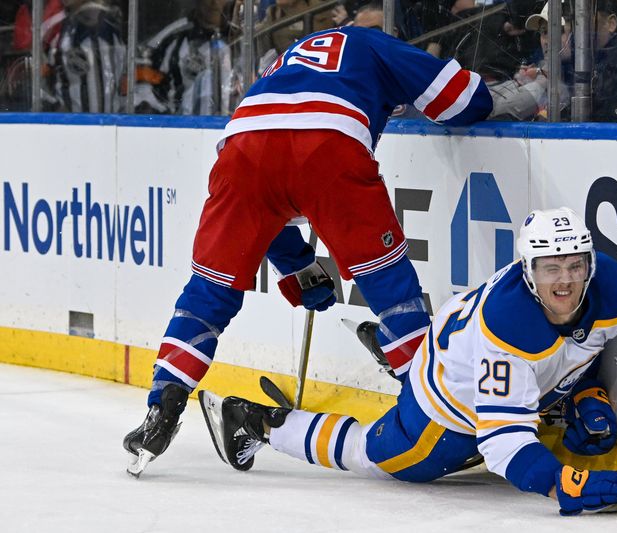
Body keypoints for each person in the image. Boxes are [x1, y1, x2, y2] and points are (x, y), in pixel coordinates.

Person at [123, 25, 493, 476]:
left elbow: (270, 194)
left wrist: (299, 269)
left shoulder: (286, 60)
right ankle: (435, 412)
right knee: (391, 291)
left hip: (241, 151)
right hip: (327, 147)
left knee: (208, 294)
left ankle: (162, 407)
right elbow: (465, 100)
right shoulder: (372, 42)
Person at [198, 207, 617, 516]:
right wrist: (565, 486)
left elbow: (577, 352)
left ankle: (398, 359)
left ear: (590, 263)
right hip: (446, 410)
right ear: (528, 271)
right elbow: (502, 446)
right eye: (551, 267)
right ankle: (256, 422)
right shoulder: (508, 330)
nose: (566, 280)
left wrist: (585, 393)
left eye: (575, 265)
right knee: (372, 454)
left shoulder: (610, 287)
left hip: (463, 352)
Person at [134, 0, 240, 115]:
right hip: (179, 128)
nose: (213, 2)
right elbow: (141, 92)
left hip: (234, 127)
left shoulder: (245, 40)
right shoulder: (170, 37)